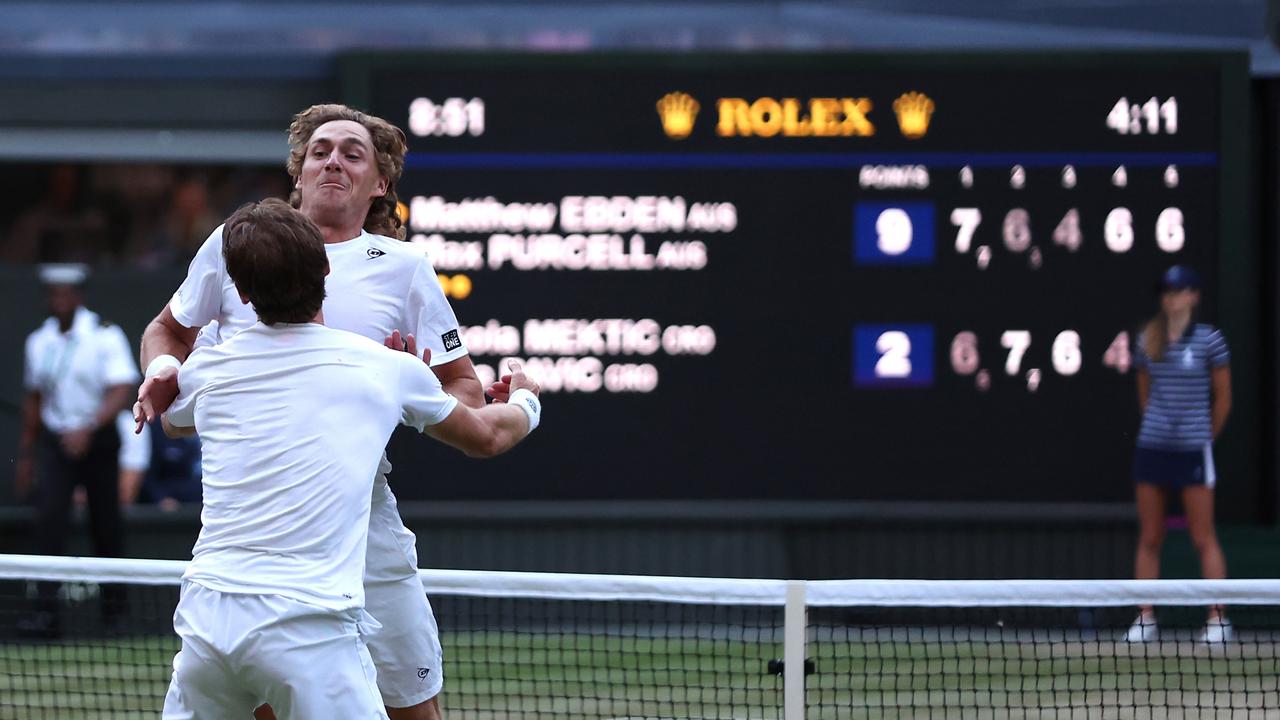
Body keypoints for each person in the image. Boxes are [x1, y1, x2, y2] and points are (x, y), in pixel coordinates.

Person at [136, 103, 483, 720]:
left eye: (353, 154)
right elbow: (168, 333)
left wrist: (404, 393)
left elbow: (465, 392)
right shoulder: (235, 244)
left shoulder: (404, 270)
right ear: (298, 172)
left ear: (379, 185)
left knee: (414, 708)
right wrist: (164, 371)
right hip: (263, 517)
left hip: (363, 514)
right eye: (320, 151)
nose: (333, 162)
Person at [157, 199, 541, 720]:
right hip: (308, 632)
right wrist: (525, 401)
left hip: (206, 626)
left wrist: (163, 372)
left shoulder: (206, 373)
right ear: (326, 272)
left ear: (243, 295)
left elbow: (172, 416)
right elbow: (487, 438)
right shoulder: (388, 370)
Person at [16, 264, 140, 636]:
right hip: (57, 444)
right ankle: (45, 614)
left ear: (78, 297)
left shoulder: (104, 335)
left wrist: (89, 427)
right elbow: (35, 398)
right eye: (53, 294)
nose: (58, 300)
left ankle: (115, 615)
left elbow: (122, 388)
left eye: (65, 293)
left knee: (106, 527)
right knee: (49, 523)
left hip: (98, 441)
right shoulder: (39, 341)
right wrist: (26, 454)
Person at [1125, 265, 1233, 644]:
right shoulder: (1146, 340)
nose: (1171, 298)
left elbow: (1223, 399)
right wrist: (1160, 426)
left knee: (1203, 537)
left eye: (1179, 291)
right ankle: (1145, 619)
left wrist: (1202, 436)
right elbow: (1145, 394)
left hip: (1192, 450)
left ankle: (1218, 620)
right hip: (1153, 449)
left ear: (1194, 296)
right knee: (1150, 537)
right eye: (1167, 292)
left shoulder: (1210, 341)